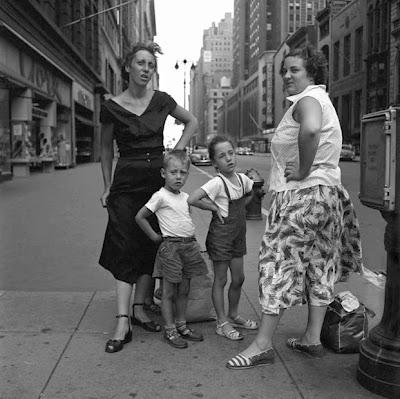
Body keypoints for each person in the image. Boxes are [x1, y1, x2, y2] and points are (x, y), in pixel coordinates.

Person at [226, 45, 363, 370]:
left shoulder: (307, 101)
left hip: (302, 196)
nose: (286, 75)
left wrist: (301, 170)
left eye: (294, 70)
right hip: (330, 197)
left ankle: (261, 344)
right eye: (284, 70)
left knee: (276, 263)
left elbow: (312, 129)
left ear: (312, 73)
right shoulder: (322, 99)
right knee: (319, 264)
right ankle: (311, 338)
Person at [99, 42, 198, 353]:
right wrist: (106, 186)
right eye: (140, 63)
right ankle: (122, 319)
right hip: (126, 182)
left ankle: (140, 308)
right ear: (128, 67)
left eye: (151, 65)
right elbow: (104, 150)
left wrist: (177, 150)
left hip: (157, 183)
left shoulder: (162, 101)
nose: (145, 69)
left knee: (151, 244)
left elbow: (192, 121)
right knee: (123, 245)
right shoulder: (111, 106)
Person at [188, 136, 258, 341]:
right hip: (220, 237)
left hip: (238, 237)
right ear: (214, 163)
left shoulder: (243, 180)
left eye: (230, 153)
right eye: (221, 156)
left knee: (239, 278)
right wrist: (212, 207)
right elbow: (192, 198)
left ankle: (234, 314)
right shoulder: (217, 183)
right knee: (221, 279)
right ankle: (222, 322)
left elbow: (252, 193)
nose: (228, 158)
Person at [135, 150, 208, 349]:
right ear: (163, 173)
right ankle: (170, 329)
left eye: (183, 173)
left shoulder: (186, 197)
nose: (178, 176)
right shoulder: (160, 196)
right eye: (173, 172)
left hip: (189, 246)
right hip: (171, 247)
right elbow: (140, 216)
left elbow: (186, 219)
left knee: (184, 289)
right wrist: (154, 236)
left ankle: (181, 324)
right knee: (168, 292)